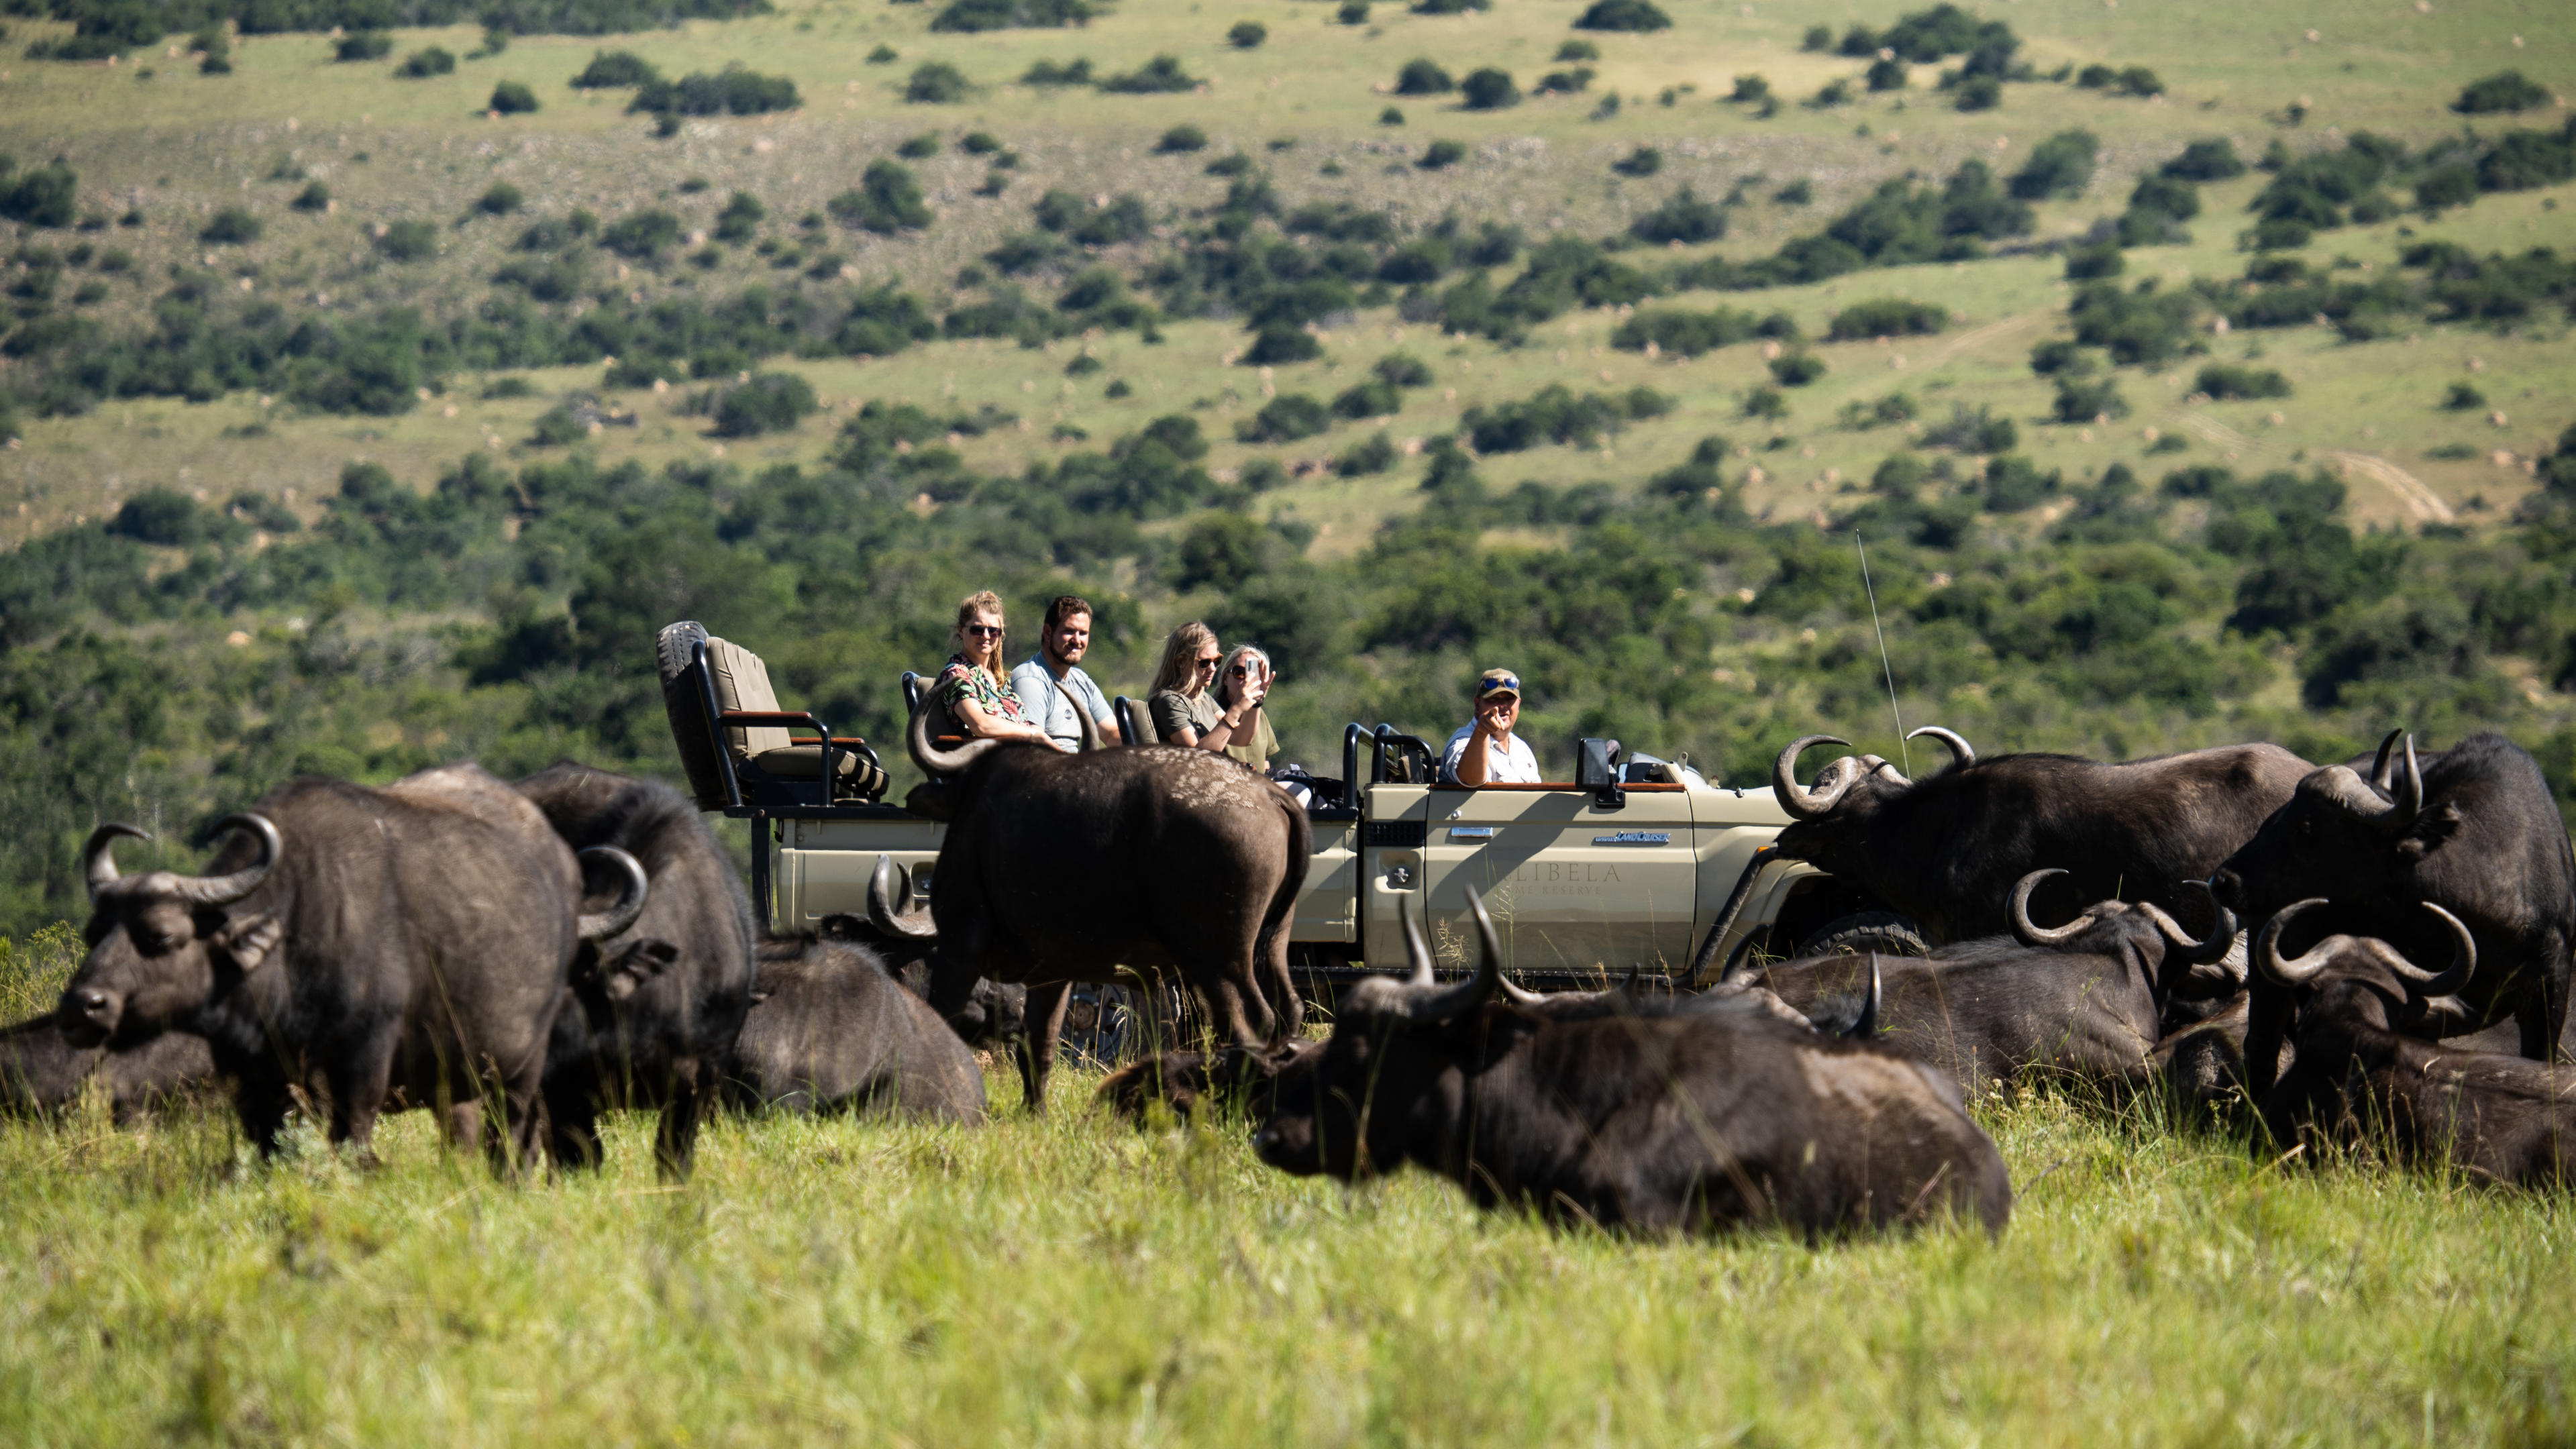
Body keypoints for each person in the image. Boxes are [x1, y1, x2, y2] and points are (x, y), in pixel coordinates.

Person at [933, 590, 1060, 749]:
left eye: (993, 631)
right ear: (961, 630)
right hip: (983, 759)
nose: (986, 636)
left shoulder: (1000, 681)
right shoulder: (956, 675)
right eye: (977, 630)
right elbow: (981, 725)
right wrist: (1034, 735)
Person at [1008, 594, 1118, 751]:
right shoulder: (1030, 679)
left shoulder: (1081, 681)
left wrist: (1137, 750)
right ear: (1048, 633)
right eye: (1069, 631)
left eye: (1083, 633)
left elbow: (1111, 732)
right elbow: (1033, 745)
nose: (1077, 640)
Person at [1146, 622, 1259, 755]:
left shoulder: (1204, 698)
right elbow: (1198, 757)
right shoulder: (1169, 702)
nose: (1213, 668)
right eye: (1204, 663)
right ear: (1181, 662)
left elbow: (1241, 738)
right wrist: (1236, 709)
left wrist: (1257, 700)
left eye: (1217, 661)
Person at [1440, 668, 1539, 785]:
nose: (1502, 705)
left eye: (1509, 699)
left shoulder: (1522, 748)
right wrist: (1482, 732)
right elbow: (1470, 780)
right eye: (1493, 699)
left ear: (1519, 704)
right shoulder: (1462, 742)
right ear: (1477, 704)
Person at [1208, 644, 1280, 770]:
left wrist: (1257, 701)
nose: (1247, 680)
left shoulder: (1260, 715)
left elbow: (1265, 763)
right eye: (1239, 673)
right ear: (1226, 678)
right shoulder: (1209, 710)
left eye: (1255, 674)